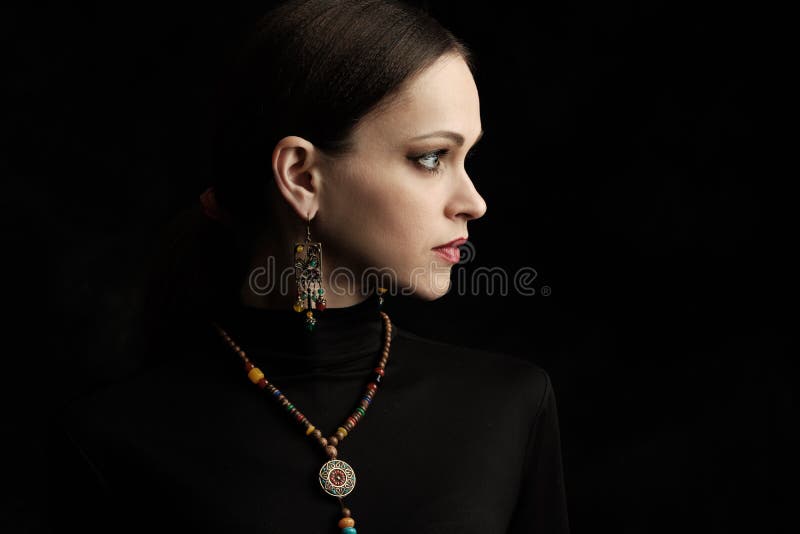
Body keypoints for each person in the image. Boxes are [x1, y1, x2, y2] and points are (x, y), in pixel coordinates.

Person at [47, 1, 570, 532]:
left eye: (468, 159)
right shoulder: (113, 441)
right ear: (300, 176)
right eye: (431, 157)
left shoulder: (509, 408)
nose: (474, 202)